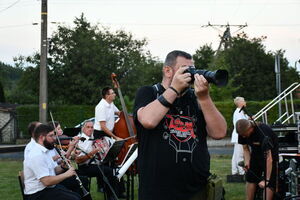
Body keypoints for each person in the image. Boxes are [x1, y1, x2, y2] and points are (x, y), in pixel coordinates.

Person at [133, 50, 227, 200]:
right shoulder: (149, 92)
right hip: (158, 191)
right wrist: (174, 89)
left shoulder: (197, 99)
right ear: (168, 71)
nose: (191, 74)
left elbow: (219, 132)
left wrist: (204, 97)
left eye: (192, 69)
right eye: (185, 69)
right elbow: (148, 121)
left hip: (197, 189)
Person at [23, 124, 81, 200]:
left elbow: (52, 171)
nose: (54, 138)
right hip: (37, 194)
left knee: (77, 196)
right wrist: (67, 174)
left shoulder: (44, 151)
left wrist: (62, 167)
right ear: (41, 137)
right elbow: (46, 181)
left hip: (48, 188)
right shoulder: (36, 154)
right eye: (51, 136)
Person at [75, 120, 122, 200]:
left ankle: (114, 194)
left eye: (92, 127)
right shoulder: (81, 140)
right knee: (110, 172)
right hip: (86, 167)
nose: (90, 129)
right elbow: (78, 160)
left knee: (113, 168)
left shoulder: (92, 138)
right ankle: (111, 196)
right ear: (83, 129)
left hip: (95, 164)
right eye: (88, 127)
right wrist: (93, 152)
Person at [236, 119, 278, 200]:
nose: (243, 136)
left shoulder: (263, 132)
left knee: (269, 183)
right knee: (251, 177)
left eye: (244, 134)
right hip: (256, 153)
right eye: (242, 135)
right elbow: (245, 149)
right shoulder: (241, 132)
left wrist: (267, 180)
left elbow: (269, 159)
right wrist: (247, 162)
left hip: (270, 155)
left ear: (250, 128)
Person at [231, 96, 248, 175]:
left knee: (236, 154)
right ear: (240, 103)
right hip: (239, 135)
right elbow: (240, 124)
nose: (245, 102)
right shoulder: (238, 112)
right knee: (240, 154)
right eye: (244, 101)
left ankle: (234, 170)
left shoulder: (241, 112)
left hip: (238, 135)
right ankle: (241, 171)